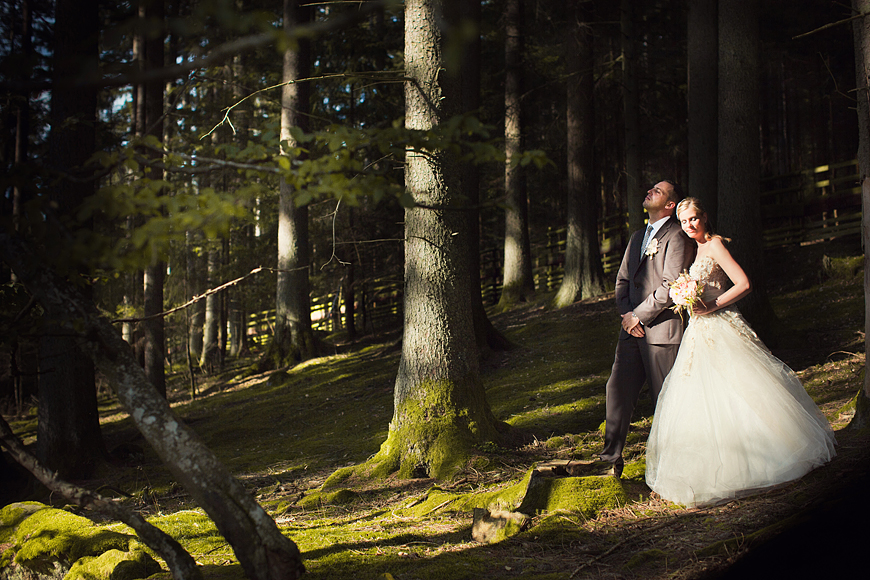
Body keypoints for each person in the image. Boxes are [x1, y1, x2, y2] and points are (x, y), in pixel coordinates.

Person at [645, 197, 836, 507]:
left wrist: (712, 305)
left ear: (704, 218)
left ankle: (765, 459)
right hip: (698, 332)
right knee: (701, 393)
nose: (689, 226)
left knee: (739, 387)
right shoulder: (695, 250)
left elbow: (743, 283)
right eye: (683, 222)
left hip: (720, 324)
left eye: (693, 219)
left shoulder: (716, 245)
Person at [579, 181, 695, 478]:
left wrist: (640, 316)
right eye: (651, 189)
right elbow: (622, 282)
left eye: (658, 191)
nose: (650, 191)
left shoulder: (678, 236)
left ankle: (675, 467)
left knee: (665, 399)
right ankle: (609, 460)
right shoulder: (637, 237)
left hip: (662, 332)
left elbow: (672, 284)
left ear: (671, 204)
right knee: (617, 390)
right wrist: (627, 316)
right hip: (630, 331)